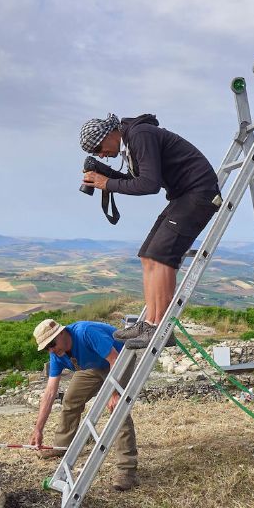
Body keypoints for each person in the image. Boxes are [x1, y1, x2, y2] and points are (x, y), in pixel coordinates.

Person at [80, 113, 220, 348]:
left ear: (109, 134)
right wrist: (106, 176)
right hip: (183, 196)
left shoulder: (139, 135)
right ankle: (148, 323)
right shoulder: (132, 142)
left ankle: (159, 328)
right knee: (147, 256)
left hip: (198, 194)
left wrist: (107, 183)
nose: (100, 154)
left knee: (162, 257)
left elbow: (149, 185)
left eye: (98, 148)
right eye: (95, 154)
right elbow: (139, 179)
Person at [29, 317, 139, 491]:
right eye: (47, 347)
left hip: (119, 359)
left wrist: (114, 392)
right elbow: (50, 393)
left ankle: (127, 471)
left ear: (62, 332)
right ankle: (62, 446)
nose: (51, 349)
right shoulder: (57, 354)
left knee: (117, 409)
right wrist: (38, 429)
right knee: (71, 400)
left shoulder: (86, 332)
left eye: (52, 343)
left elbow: (114, 359)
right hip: (93, 366)